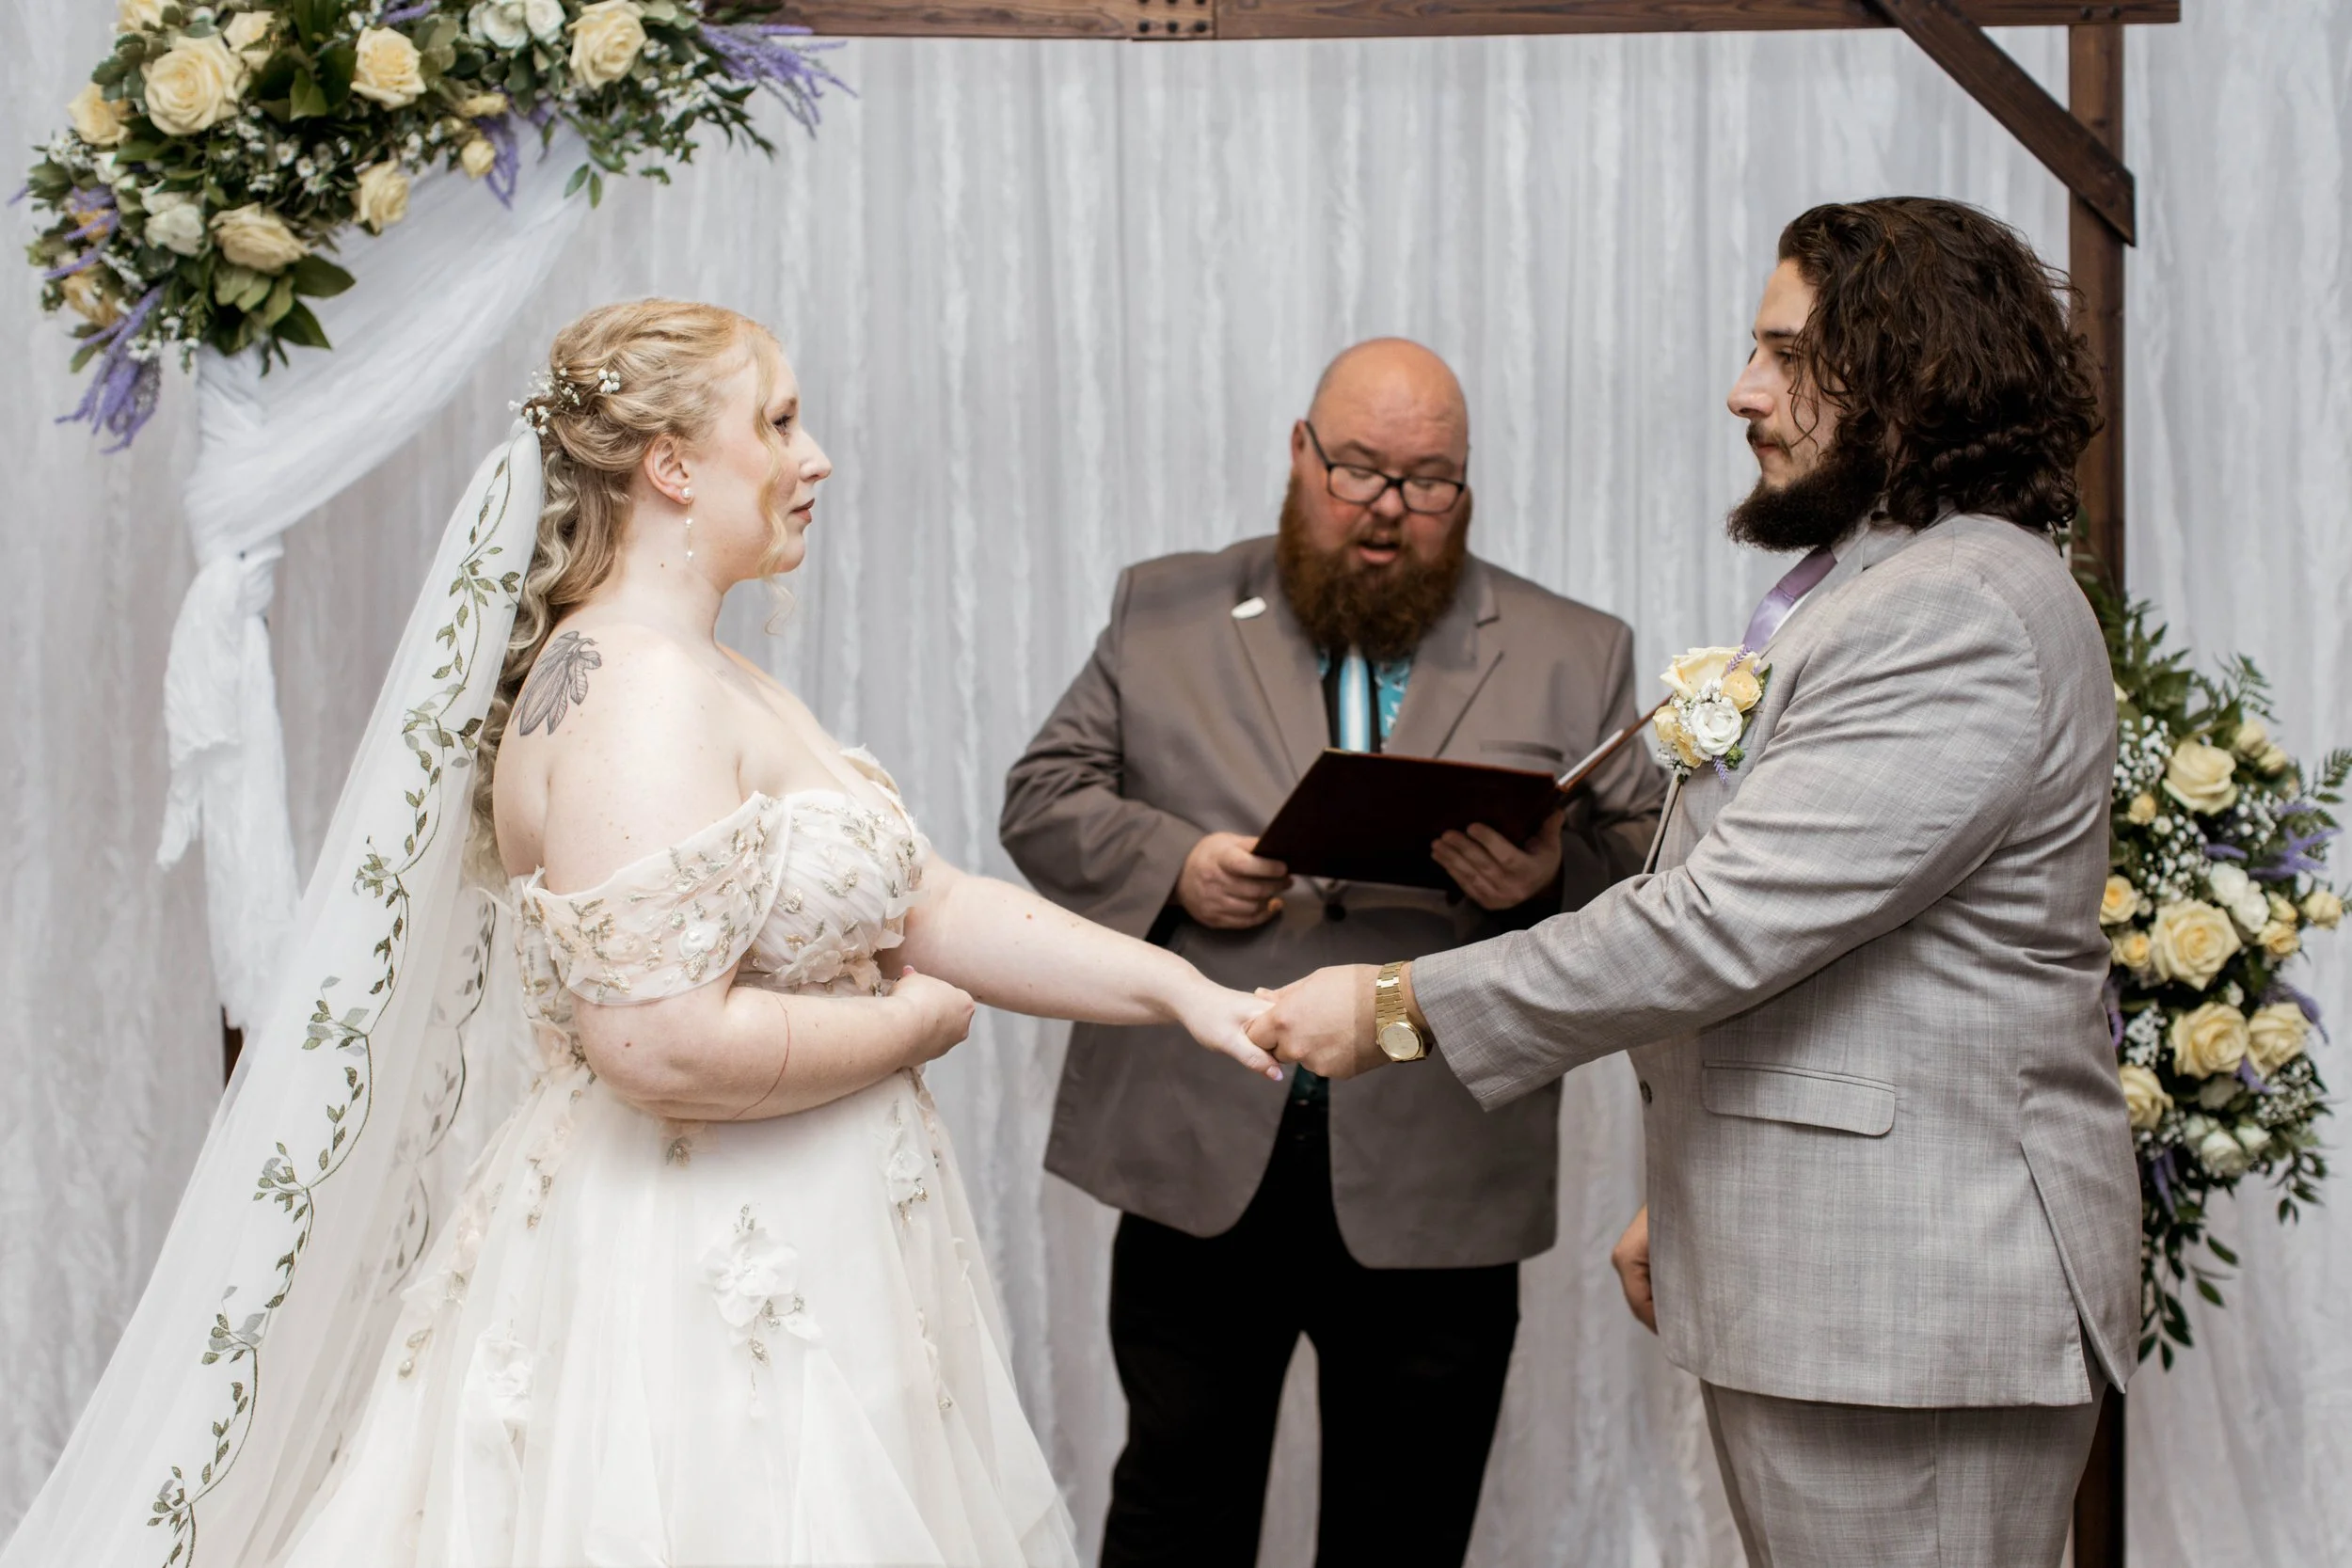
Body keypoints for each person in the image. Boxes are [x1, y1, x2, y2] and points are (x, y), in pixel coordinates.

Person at [2, 299, 1283, 1568]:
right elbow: (657, 1043)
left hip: (807, 1245)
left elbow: (930, 901)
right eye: (778, 421)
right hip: (698, 1285)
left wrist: (1178, 989)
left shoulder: (704, 669)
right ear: (671, 465)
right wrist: (914, 1021)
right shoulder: (636, 689)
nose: (814, 455)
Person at [1246, 200, 2141, 1568]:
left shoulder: (1956, 609)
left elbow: (1727, 920)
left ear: (1906, 375)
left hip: (1913, 1303)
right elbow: (1835, 948)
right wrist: (1700, 1175)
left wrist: (1392, 1007)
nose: (1744, 390)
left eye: (1783, 352)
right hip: (1850, 1278)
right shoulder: (1883, 583)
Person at [1000, 339, 1664, 1568]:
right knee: (1173, 1517)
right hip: (1201, 1154)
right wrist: (1177, 862)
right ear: (1298, 453)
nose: (1386, 511)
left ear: (1466, 492)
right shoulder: (1164, 607)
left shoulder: (1578, 646)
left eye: (1426, 483)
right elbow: (1041, 799)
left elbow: (1661, 876)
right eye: (1356, 470)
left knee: (1404, 1533)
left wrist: (1548, 880)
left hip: (1439, 1169)